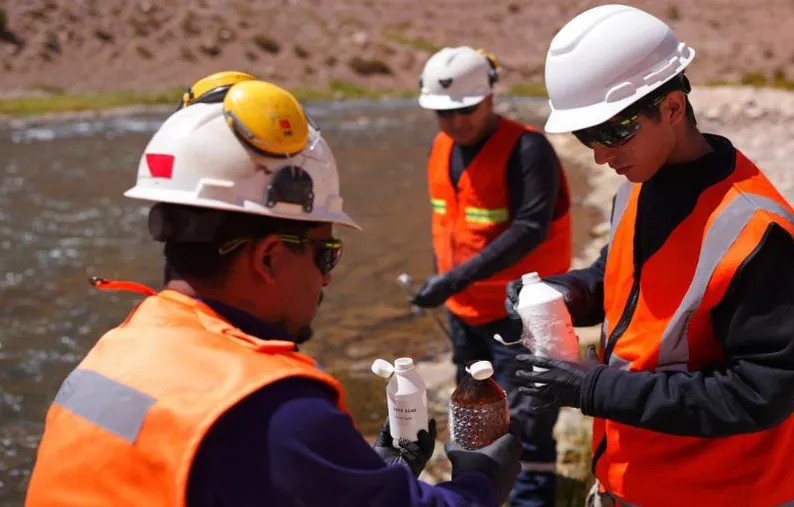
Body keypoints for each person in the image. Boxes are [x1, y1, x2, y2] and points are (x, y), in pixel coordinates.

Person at [25, 75, 522, 507]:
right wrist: (480, 481)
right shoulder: (272, 406)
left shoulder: (121, 346)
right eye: (325, 253)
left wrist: (370, 472)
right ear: (267, 258)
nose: (327, 277)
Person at [505, 5, 794, 507]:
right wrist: (567, 292)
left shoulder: (758, 233)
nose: (600, 155)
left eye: (614, 132)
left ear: (672, 108)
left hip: (731, 494)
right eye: (587, 136)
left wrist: (595, 390)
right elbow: (622, 275)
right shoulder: (638, 186)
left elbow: (761, 391)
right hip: (636, 478)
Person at [411, 46, 573, 507]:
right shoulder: (441, 149)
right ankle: (480, 494)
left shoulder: (527, 149)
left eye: (465, 109)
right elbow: (450, 224)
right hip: (464, 313)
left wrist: (452, 278)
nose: (456, 122)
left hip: (520, 317)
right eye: (444, 113)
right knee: (474, 412)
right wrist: (445, 284)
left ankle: (532, 500)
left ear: (490, 97)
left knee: (526, 419)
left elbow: (530, 227)